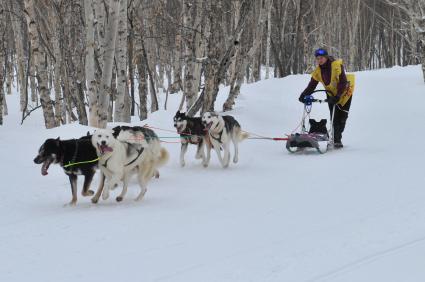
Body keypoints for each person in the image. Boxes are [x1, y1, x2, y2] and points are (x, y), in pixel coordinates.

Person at [298, 48, 355, 148]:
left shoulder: (336, 66)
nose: (320, 60)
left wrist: (338, 96)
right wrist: (303, 95)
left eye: (322, 58)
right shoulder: (318, 72)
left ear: (326, 57)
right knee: (334, 116)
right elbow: (312, 85)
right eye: (318, 58)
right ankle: (336, 140)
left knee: (342, 117)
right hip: (331, 94)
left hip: (345, 92)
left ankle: (337, 138)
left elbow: (342, 82)